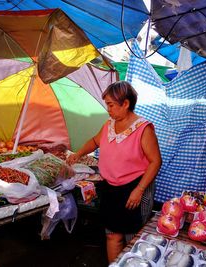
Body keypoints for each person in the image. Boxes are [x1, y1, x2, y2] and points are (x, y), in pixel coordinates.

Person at [66, 81, 162, 263]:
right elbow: (95, 141)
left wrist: (139, 190)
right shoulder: (109, 124)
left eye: (111, 105)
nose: (108, 109)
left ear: (125, 103)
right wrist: (77, 153)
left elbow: (156, 161)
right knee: (112, 235)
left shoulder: (143, 129)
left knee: (132, 237)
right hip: (111, 188)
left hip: (134, 188)